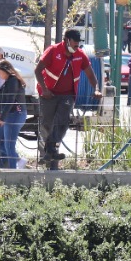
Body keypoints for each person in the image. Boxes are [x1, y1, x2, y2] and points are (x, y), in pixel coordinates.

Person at [34, 28, 100, 170]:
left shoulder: (80, 55)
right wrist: (44, 89)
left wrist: (96, 88)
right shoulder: (53, 50)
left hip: (68, 95)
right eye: (75, 44)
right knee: (46, 124)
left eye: (78, 44)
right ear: (66, 40)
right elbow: (37, 70)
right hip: (48, 95)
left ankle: (51, 150)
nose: (77, 47)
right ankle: (48, 152)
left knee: (63, 122)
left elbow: (90, 74)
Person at [0, 58, 28, 169]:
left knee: (9, 145)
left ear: (6, 71)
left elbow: (10, 100)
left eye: (0, 72)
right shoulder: (8, 81)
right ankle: (18, 160)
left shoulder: (13, 81)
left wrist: (2, 118)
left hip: (15, 115)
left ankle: (12, 172)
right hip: (9, 115)